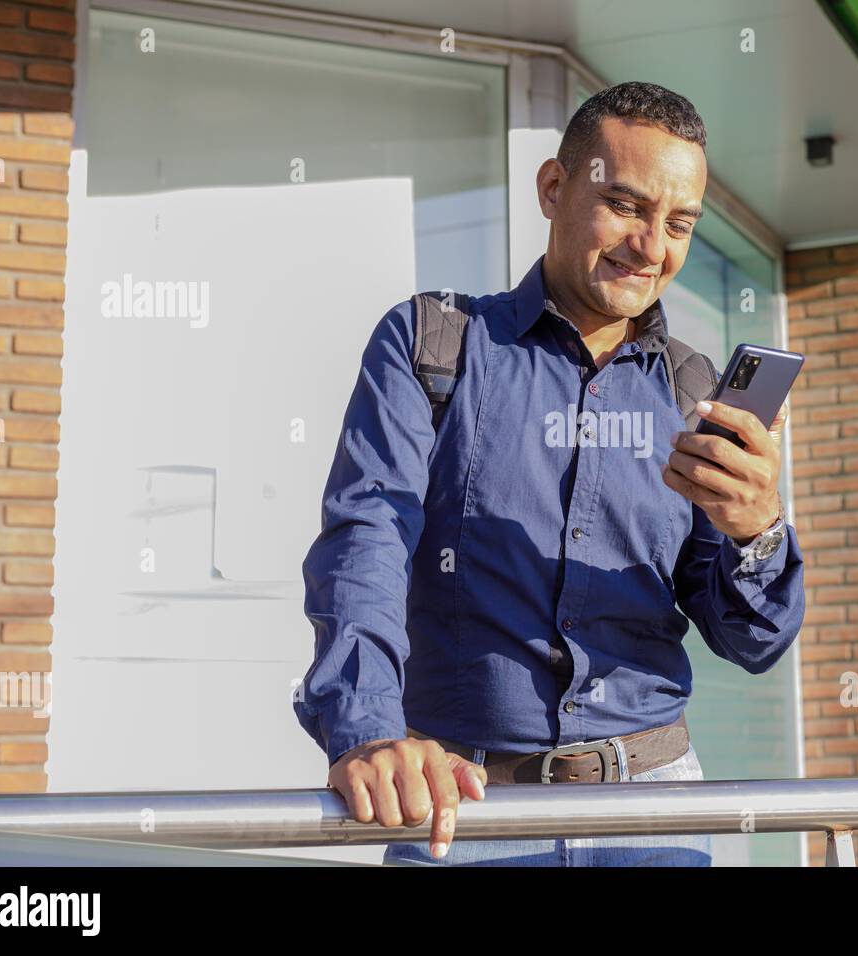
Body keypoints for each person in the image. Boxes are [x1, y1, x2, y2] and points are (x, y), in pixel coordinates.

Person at [294, 81, 805, 867]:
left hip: (655, 818)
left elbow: (750, 642)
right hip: (468, 817)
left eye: (678, 224)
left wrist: (757, 530)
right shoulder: (432, 345)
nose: (651, 247)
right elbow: (367, 543)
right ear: (553, 188)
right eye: (627, 207)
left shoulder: (694, 390)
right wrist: (367, 731)